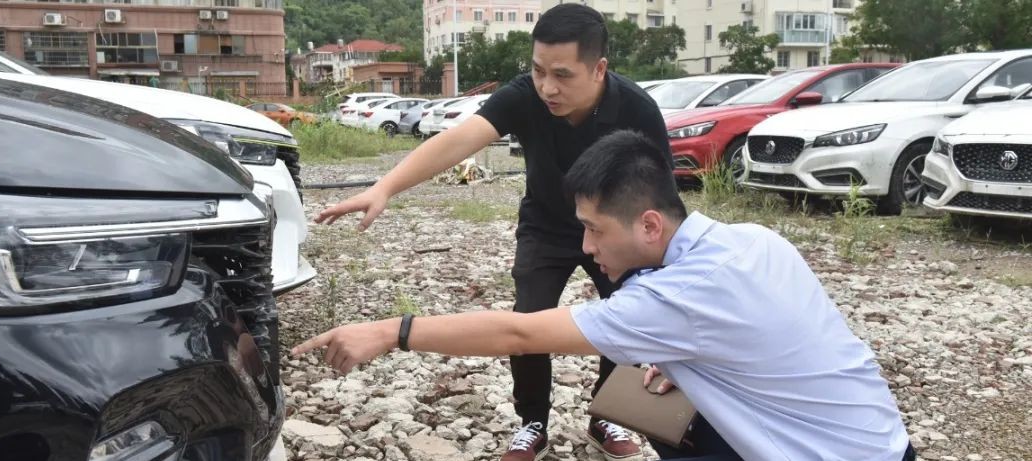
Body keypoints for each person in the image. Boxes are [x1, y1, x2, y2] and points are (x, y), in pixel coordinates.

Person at [295, 130, 917, 461]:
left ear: (649, 224)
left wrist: (391, 331)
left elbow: (520, 332)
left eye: (594, 229)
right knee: (667, 413)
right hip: (881, 441)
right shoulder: (753, 239)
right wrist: (696, 359)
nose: (586, 247)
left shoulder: (674, 298)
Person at [314, 4, 668, 460]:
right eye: (538, 70)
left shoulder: (637, 109)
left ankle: (607, 415)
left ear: (599, 69)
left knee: (627, 314)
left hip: (613, 231)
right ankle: (532, 423)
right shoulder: (524, 96)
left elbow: (660, 198)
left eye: (562, 75)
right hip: (545, 226)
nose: (547, 87)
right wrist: (384, 187)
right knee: (528, 317)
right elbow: (459, 140)